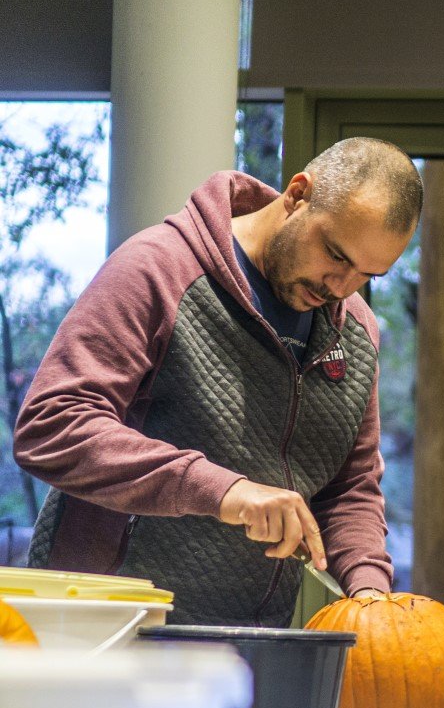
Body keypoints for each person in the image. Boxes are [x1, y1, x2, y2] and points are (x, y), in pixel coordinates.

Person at [14, 137, 422, 626]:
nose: (340, 287)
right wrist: (221, 490)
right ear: (296, 195)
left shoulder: (354, 328)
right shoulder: (158, 268)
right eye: (335, 254)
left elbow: (350, 488)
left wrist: (369, 592)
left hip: (249, 647)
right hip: (110, 628)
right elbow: (52, 423)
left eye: (366, 275)